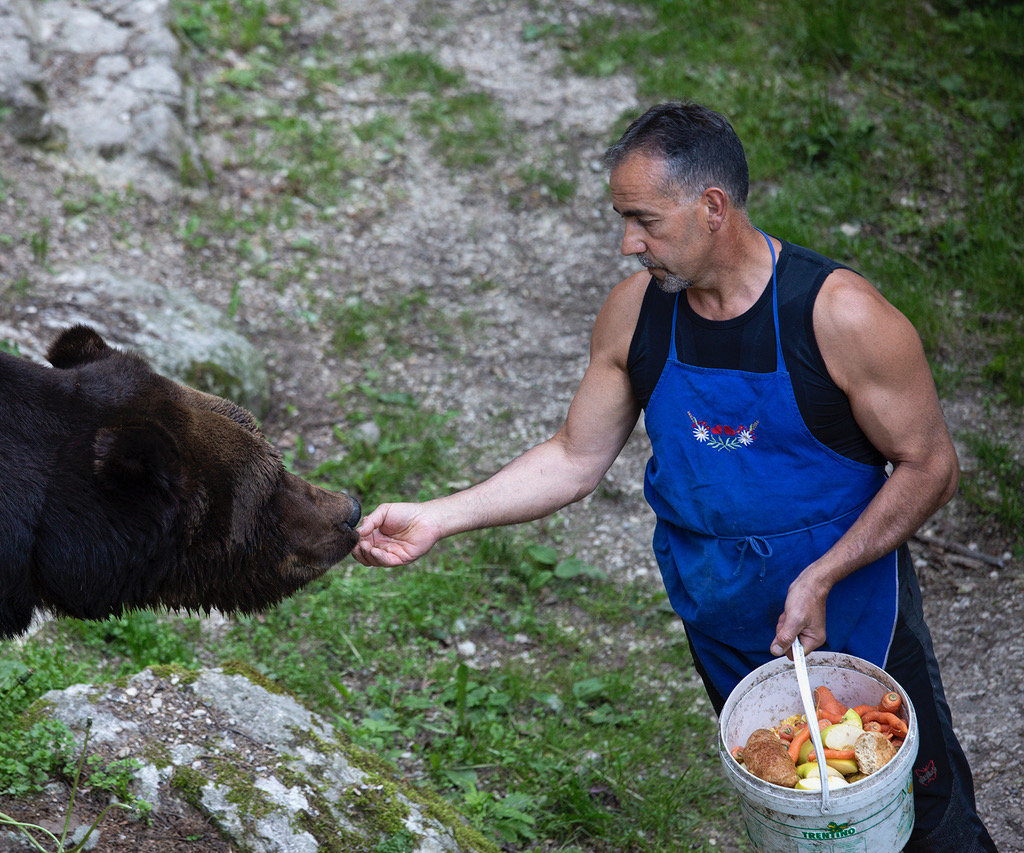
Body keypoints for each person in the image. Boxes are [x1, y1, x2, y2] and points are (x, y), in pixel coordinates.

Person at [352, 102, 996, 852]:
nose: (628, 243)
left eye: (644, 220)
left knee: (921, 817)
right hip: (721, 615)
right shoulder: (636, 316)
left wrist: (822, 575)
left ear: (712, 207)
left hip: (856, 615)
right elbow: (573, 455)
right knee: (798, 812)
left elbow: (932, 465)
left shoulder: (841, 317)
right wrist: (439, 515)